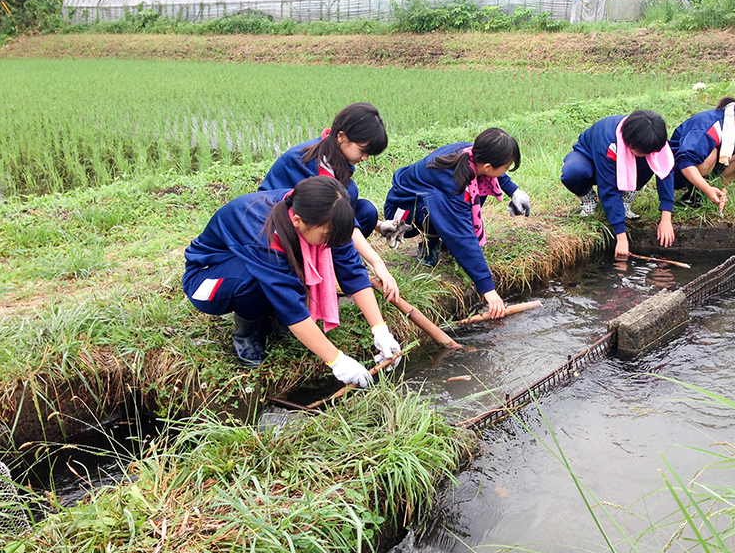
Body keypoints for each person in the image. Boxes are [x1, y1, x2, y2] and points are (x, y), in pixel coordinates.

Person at [183, 176, 402, 381]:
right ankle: (246, 335)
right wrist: (337, 361)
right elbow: (292, 308)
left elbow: (353, 270)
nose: (330, 242)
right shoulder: (263, 233)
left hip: (248, 263)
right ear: (297, 221)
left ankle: (269, 318)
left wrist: (380, 330)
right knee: (253, 277)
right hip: (206, 279)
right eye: (326, 236)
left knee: (284, 271)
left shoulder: (317, 211)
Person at [378, 128, 531, 319]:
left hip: (429, 198)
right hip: (402, 212)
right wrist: (488, 289)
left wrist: (514, 191)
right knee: (441, 207)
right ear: (489, 166)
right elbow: (462, 237)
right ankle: (429, 245)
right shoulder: (454, 185)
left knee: (470, 194)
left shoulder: (472, 154)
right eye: (506, 168)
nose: (505, 172)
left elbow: (493, 173)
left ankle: (441, 242)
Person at [258, 102, 401, 302]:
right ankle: (313, 274)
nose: (365, 158)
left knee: (365, 211)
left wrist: (379, 226)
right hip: (275, 231)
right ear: (341, 136)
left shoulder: (334, 156)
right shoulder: (306, 163)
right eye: (363, 150)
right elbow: (331, 215)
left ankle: (330, 272)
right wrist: (377, 263)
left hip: (310, 222)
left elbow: (343, 213)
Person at [560, 110, 674, 260]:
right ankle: (588, 198)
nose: (647, 154)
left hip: (622, 163)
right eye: (641, 151)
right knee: (573, 172)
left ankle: (626, 199)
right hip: (590, 161)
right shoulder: (608, 139)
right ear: (629, 142)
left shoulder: (653, 139)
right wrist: (621, 237)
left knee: (650, 161)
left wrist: (666, 217)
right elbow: (608, 189)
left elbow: (665, 171)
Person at [669, 87, 735, 211]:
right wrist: (707, 189)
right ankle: (697, 193)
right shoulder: (712, 126)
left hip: (691, 166)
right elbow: (686, 162)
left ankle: (714, 195)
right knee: (712, 155)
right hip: (676, 172)